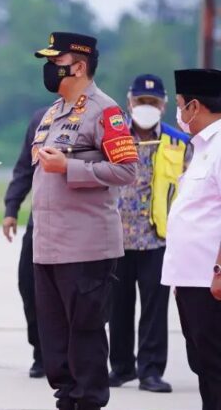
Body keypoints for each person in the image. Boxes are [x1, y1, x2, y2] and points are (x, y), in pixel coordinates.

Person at [30, 32, 138, 410]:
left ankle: (88, 402)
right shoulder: (53, 112)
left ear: (77, 65)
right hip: (49, 246)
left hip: (85, 247)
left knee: (86, 338)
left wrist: (70, 166)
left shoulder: (104, 111)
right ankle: (68, 402)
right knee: (56, 345)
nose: (47, 69)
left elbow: (127, 170)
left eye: (53, 62)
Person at [109, 74, 190, 393]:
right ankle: (121, 366)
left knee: (155, 309)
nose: (146, 107)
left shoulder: (177, 142)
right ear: (129, 103)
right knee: (118, 306)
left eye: (153, 102)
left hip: (158, 238)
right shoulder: (113, 140)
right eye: (141, 102)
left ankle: (151, 370)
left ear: (164, 105)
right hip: (117, 237)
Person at [161, 68, 221, 410]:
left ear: (195, 107)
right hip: (191, 279)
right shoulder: (202, 147)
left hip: (210, 280)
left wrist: (219, 270)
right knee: (203, 364)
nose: (179, 114)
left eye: (180, 104)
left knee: (214, 365)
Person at [2, 106, 47, 379]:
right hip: (40, 221)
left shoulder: (96, 115)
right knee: (29, 285)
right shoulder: (42, 119)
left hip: (77, 227)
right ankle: (41, 352)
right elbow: (24, 168)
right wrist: (11, 208)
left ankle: (68, 354)